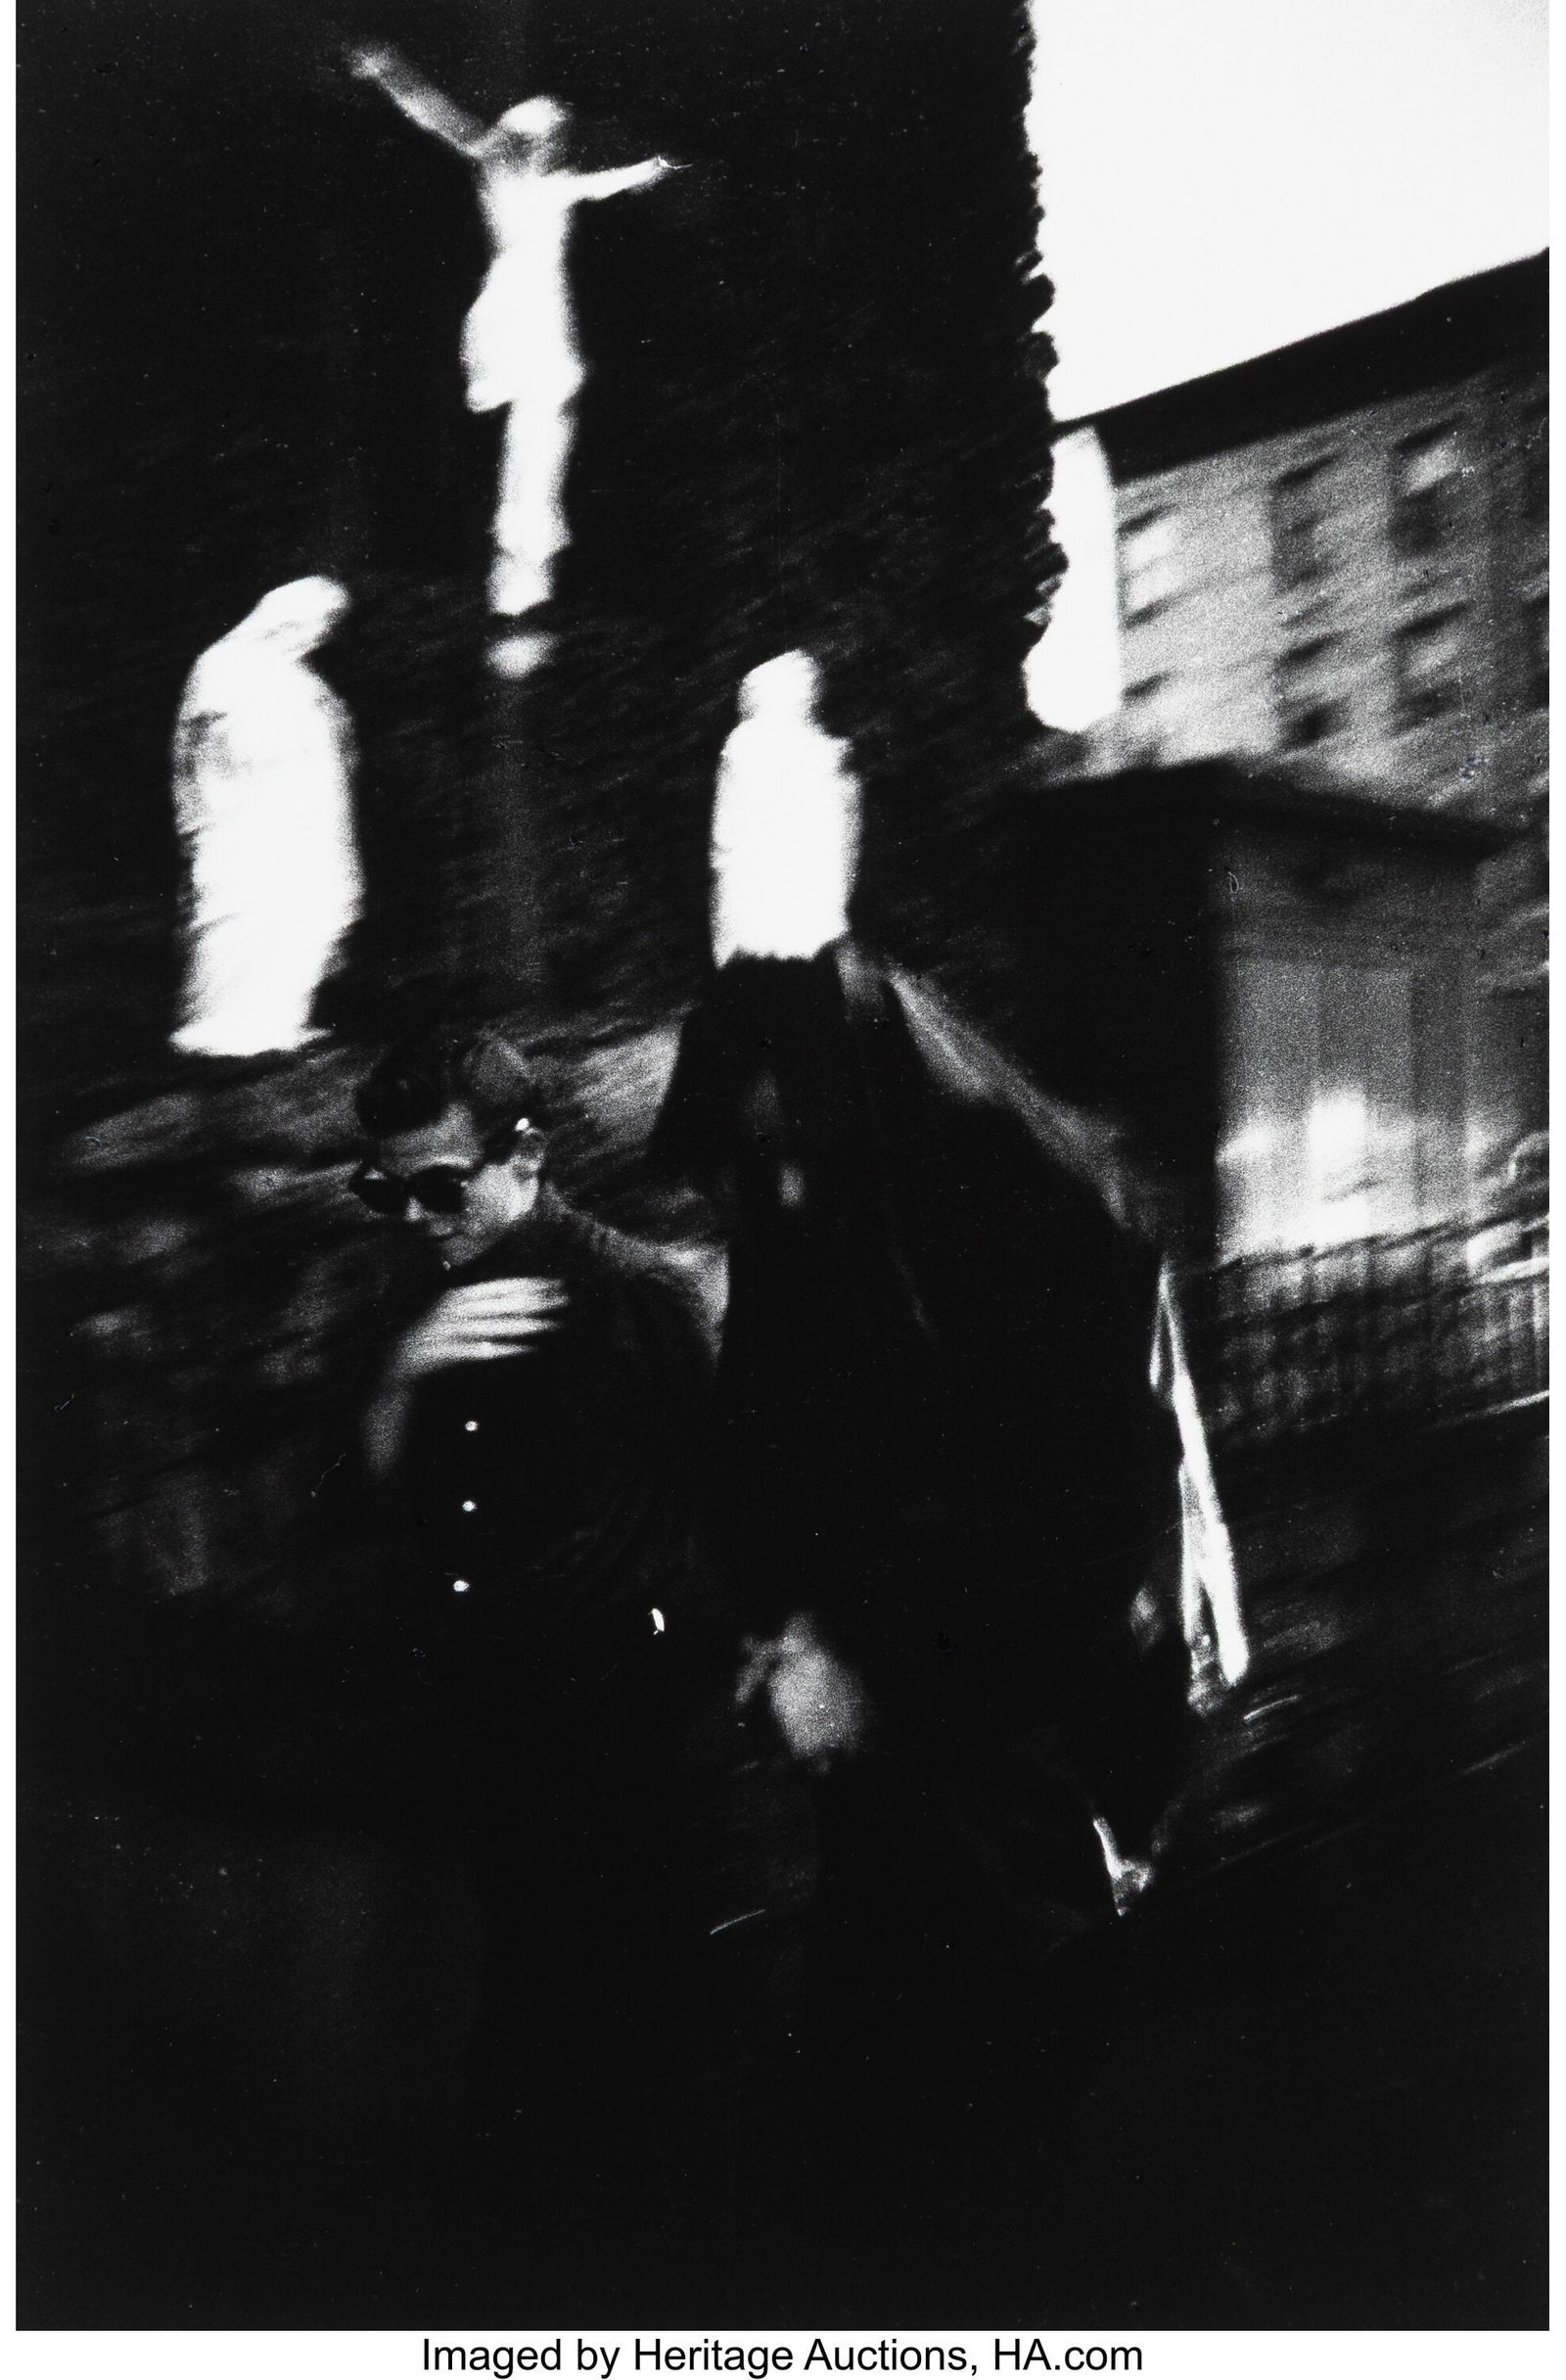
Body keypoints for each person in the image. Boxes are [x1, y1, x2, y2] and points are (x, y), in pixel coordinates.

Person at [650, 655, 1247, 2304]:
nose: (760, 1186)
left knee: (986, 2172)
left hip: (1018, 1773)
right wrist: (777, 1628)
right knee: (875, 2137)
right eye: (746, 1160)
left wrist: (864, 1668)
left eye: (780, 1153)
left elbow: (1068, 1535)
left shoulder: (1012, 1206)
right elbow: (758, 1440)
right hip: (897, 1773)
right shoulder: (805, 1197)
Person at [350, 1026, 807, 2297]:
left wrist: (723, 1653)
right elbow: (374, 1509)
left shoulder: (633, 1296)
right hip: (500, 1733)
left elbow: (748, 1491)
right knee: (531, 2022)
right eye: (383, 1189)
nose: (418, 1216)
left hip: (636, 1734)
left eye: (443, 1184)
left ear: (528, 1154)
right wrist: (403, 1377)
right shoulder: (408, 1298)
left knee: (657, 2040)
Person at [350, 45, 676, 620]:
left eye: (559, 137)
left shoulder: (558, 184)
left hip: (545, 310)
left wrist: (646, 172)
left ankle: (530, 556)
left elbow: (600, 184)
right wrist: (392, 74)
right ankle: (519, 551)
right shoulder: (496, 167)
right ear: (524, 138)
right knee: (542, 414)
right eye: (547, 136)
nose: (556, 146)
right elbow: (438, 116)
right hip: (514, 307)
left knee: (549, 424)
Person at [170, 577, 360, 1058]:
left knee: (300, 915)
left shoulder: (306, 686)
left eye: (324, 628)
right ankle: (225, 1030)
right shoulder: (220, 666)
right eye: (310, 623)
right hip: (239, 821)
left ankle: (278, 1022)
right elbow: (190, 752)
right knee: (239, 918)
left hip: (301, 825)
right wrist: (195, 819)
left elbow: (330, 763)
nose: (314, 636)